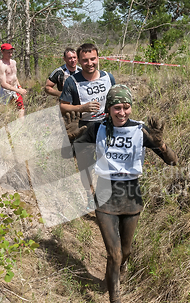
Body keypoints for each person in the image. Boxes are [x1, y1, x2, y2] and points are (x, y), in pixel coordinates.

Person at [65, 85, 178, 303]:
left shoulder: (140, 130)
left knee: (125, 252)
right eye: (117, 107)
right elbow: (68, 155)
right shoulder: (96, 128)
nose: (122, 112)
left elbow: (172, 161)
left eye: (126, 107)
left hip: (132, 195)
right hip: (106, 194)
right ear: (109, 108)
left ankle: (115, 273)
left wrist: (161, 144)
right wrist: (70, 136)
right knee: (114, 253)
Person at [60, 43, 116, 210]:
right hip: (84, 129)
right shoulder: (72, 81)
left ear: (98, 58)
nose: (90, 63)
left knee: (107, 164)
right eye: (85, 60)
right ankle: (89, 195)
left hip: (106, 127)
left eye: (93, 59)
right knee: (86, 167)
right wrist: (81, 108)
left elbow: (116, 99)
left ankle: (106, 198)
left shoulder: (108, 77)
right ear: (79, 61)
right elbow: (63, 106)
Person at [0, 43, 28, 118]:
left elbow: (14, 76)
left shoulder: (13, 62)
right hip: (6, 92)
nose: (10, 54)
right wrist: (18, 90)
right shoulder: (1, 65)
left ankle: (21, 127)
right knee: (6, 113)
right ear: (2, 52)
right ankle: (7, 128)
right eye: (8, 52)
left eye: (11, 52)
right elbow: (3, 84)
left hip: (15, 89)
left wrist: (19, 87)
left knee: (21, 108)